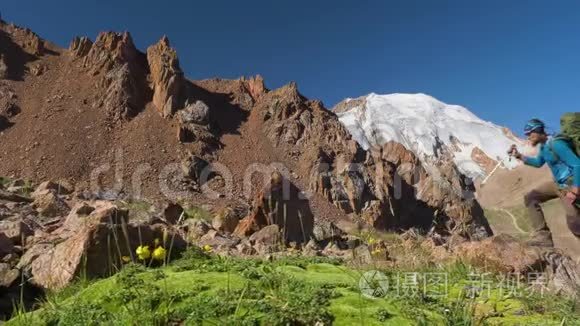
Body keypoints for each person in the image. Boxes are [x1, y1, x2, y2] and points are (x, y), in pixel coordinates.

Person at [509, 118, 580, 247]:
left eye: (530, 133)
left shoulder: (557, 144)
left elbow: (577, 164)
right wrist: (519, 156)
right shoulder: (544, 147)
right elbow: (538, 163)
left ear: (538, 131)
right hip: (557, 184)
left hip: (569, 186)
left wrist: (575, 190)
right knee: (531, 197)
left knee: (574, 224)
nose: (528, 136)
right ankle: (543, 236)